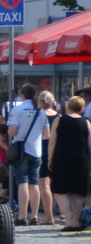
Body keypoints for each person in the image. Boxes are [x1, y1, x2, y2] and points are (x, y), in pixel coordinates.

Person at [6, 85, 48, 226]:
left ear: (22, 95)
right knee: (34, 183)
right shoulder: (40, 111)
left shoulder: (18, 109)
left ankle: (22, 216)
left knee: (22, 182)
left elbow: (12, 132)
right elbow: (46, 134)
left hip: (22, 151)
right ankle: (34, 216)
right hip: (36, 151)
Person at [48, 96, 89, 232]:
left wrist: (50, 159)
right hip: (81, 159)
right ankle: (76, 221)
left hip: (62, 158)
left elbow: (52, 141)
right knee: (77, 192)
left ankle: (68, 220)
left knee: (61, 191)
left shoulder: (59, 120)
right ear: (81, 108)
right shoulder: (86, 122)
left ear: (69, 106)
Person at [38, 90, 61, 226]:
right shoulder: (59, 116)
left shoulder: (40, 115)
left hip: (43, 149)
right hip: (57, 151)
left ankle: (49, 216)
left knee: (44, 185)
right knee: (57, 183)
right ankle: (63, 213)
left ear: (41, 101)